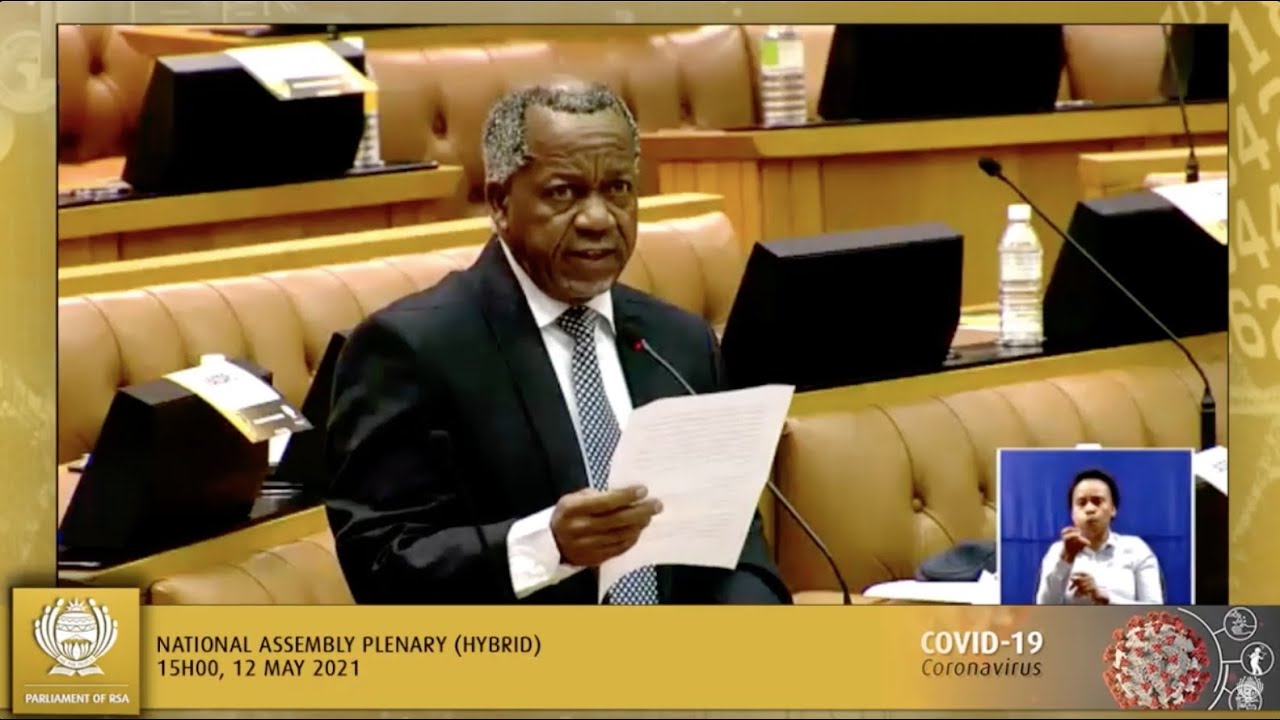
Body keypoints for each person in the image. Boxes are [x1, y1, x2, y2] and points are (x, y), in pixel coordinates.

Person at [322, 80, 791, 606]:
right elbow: (381, 564)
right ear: (500, 203)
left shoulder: (679, 342)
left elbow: (734, 545)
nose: (598, 219)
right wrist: (547, 545)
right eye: (564, 193)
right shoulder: (411, 350)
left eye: (618, 189)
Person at [1035, 469, 1164, 605]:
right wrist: (1065, 560)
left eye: (1097, 501)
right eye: (1081, 503)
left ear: (1113, 509)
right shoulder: (1057, 552)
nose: (1090, 509)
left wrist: (1106, 599)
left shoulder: (1137, 549)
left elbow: (1154, 610)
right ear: (1072, 513)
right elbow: (1043, 609)